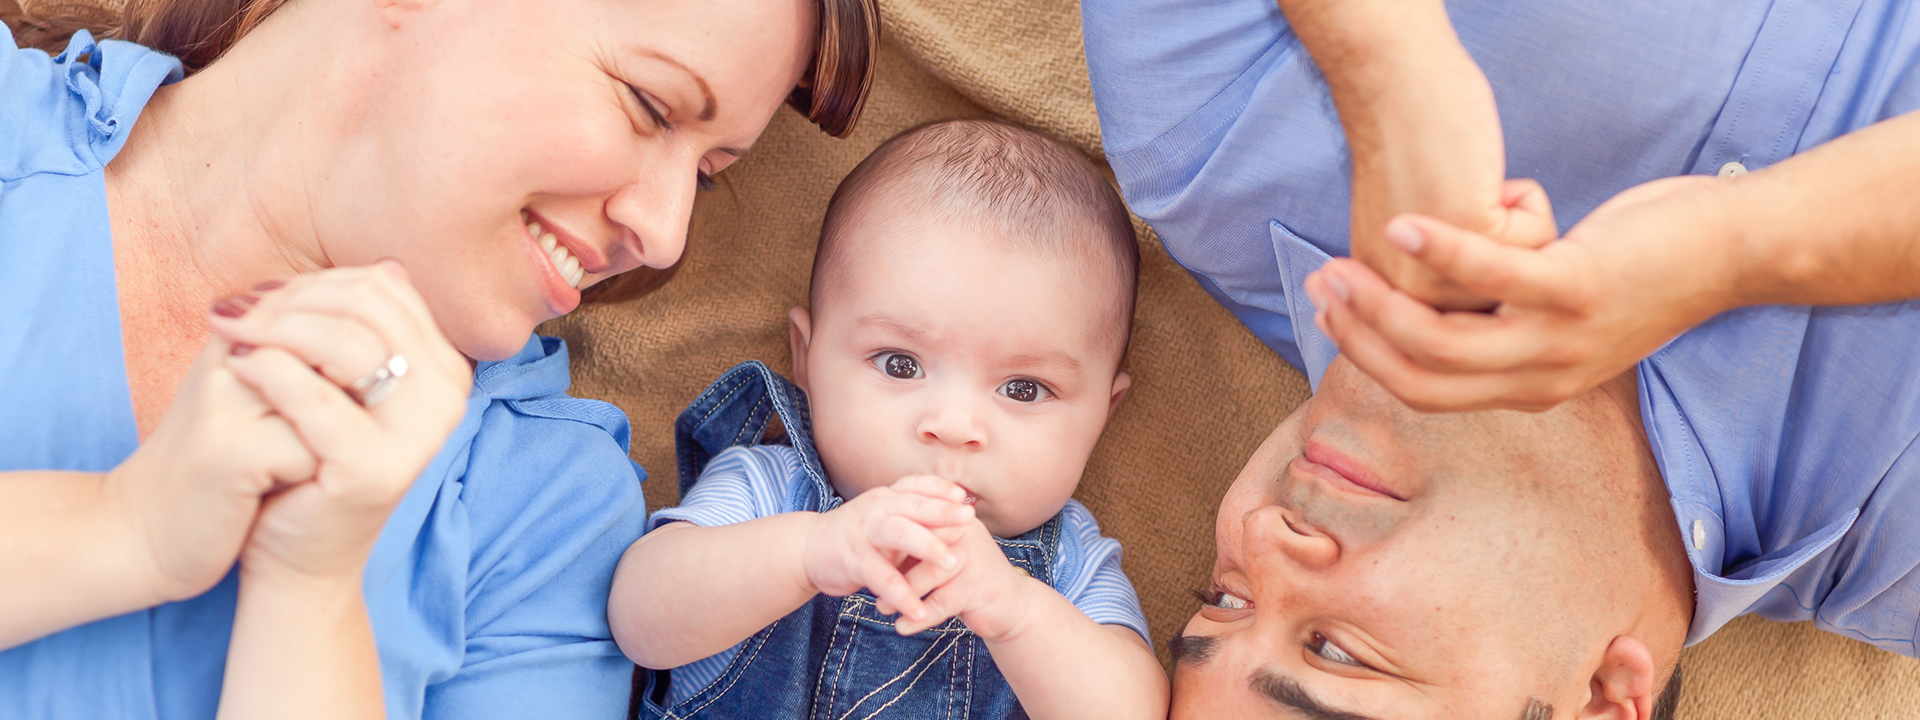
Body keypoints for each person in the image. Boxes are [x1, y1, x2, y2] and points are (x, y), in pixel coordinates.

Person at [0, 0, 878, 714]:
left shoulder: (550, 513)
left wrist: (311, 590)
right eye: (650, 104)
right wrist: (127, 529)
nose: (665, 232)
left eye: (708, 171)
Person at [1083, 0, 1920, 717]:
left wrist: (1386, 71)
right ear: (1597, 697)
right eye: (1335, 650)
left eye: (1223, 599)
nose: (1262, 537)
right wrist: (1733, 251)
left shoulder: (1206, 151)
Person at [610, 120, 1167, 720]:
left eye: (1024, 389)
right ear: (807, 359)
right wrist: (808, 554)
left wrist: (1018, 614)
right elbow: (638, 619)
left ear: (1102, 415)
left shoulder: (1069, 564)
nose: (954, 426)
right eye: (900, 364)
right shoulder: (771, 488)